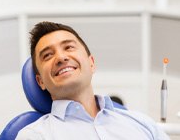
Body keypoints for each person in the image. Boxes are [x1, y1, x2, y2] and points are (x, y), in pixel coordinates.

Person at [16, 21, 169, 140]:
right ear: (40, 81)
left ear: (91, 63)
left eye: (69, 47)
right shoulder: (34, 136)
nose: (61, 58)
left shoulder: (141, 123)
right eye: (48, 55)